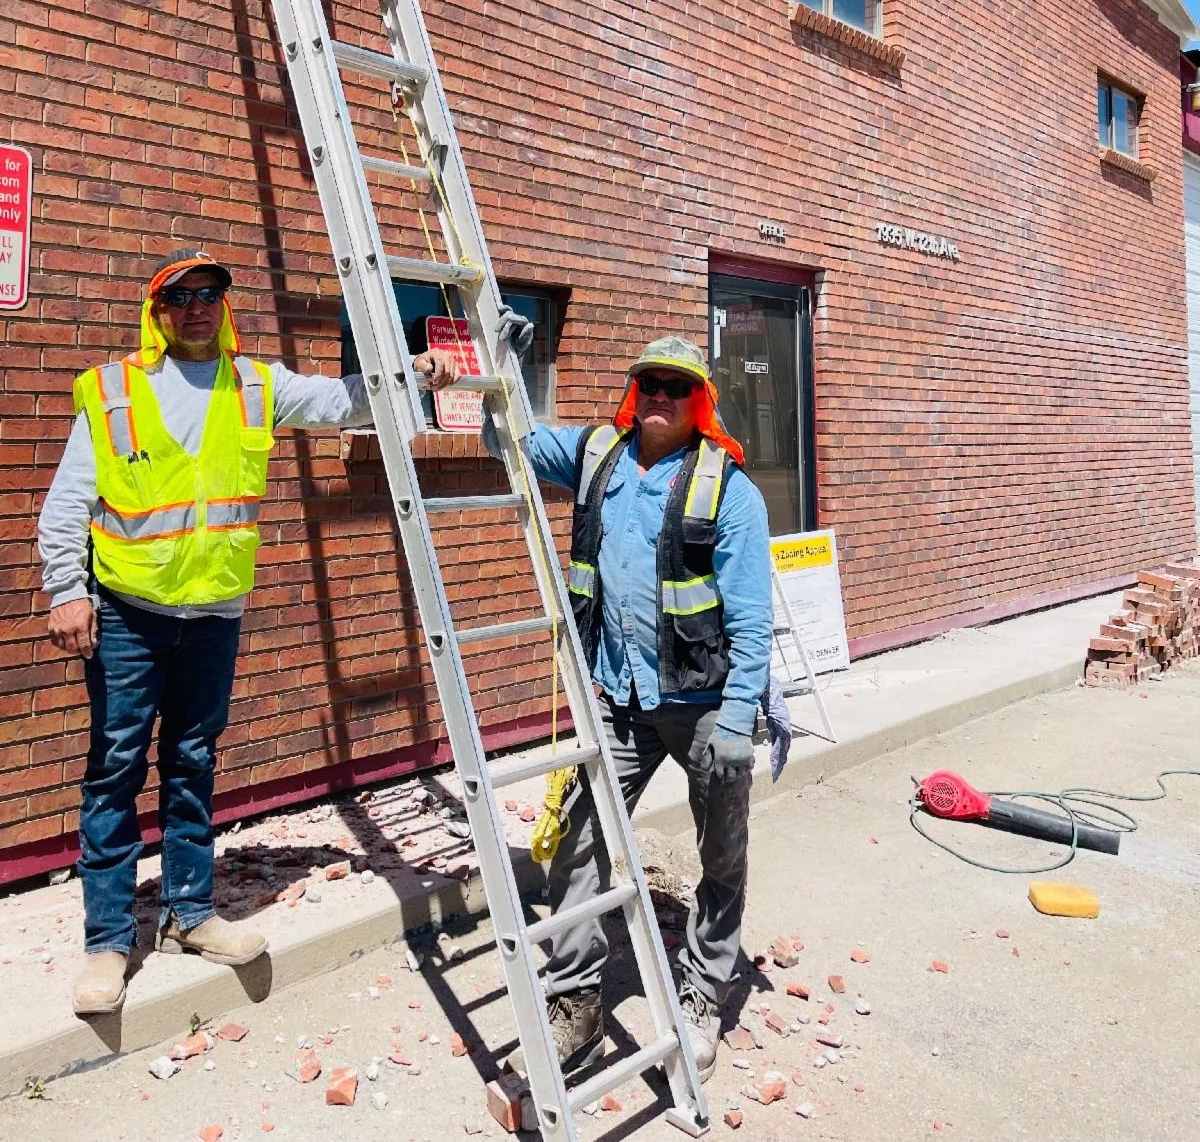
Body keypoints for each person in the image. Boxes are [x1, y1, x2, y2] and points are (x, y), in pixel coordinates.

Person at [38, 248, 458, 1017]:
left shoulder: (257, 384)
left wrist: (412, 374)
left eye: (210, 294)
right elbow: (68, 500)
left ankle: (188, 915)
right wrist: (67, 591)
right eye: (181, 296)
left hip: (214, 615)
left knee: (192, 761)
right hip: (129, 611)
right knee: (115, 769)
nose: (198, 307)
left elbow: (341, 401)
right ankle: (108, 939)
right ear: (158, 311)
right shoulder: (114, 389)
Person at [488, 336, 772, 1084]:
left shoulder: (730, 491)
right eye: (649, 383)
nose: (660, 396)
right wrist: (498, 364)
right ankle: (577, 1000)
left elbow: (751, 621)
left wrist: (737, 722)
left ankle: (702, 992)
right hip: (617, 699)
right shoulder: (597, 457)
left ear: (700, 400)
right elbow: (510, 438)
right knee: (575, 840)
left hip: (704, 706)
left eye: (676, 386)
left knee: (722, 856)